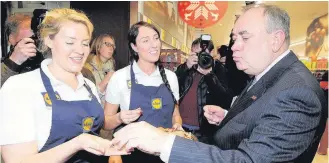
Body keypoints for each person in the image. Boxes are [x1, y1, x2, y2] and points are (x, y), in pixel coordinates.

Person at [112, 4, 327, 163]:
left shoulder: (297, 91)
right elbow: (263, 117)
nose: (234, 47)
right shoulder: (269, 76)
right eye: (234, 38)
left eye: (244, 37)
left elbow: (250, 160)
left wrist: (163, 142)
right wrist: (228, 116)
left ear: (276, 40)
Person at [0, 8, 128, 163]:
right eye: (70, 42)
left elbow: (98, 128)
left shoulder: (88, 85)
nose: (80, 51)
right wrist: (78, 143)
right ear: (48, 40)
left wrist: (112, 149)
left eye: (85, 43)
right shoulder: (20, 87)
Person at [103, 21, 182, 163]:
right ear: (134, 47)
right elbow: (106, 122)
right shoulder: (120, 77)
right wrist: (120, 118)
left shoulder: (171, 77)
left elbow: (176, 114)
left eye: (156, 38)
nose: (154, 44)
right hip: (133, 156)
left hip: (166, 154)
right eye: (145, 40)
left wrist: (178, 125)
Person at [175, 38, 231, 144]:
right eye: (196, 53)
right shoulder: (187, 68)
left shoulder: (219, 69)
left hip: (204, 132)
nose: (200, 57)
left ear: (211, 53)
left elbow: (225, 99)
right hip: (181, 127)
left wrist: (209, 75)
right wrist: (185, 67)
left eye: (203, 54)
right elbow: (171, 87)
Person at [1, 13, 43, 85]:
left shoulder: (46, 61)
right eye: (30, 39)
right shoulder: (4, 66)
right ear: (11, 38)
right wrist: (14, 62)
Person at [84, 34, 116, 106]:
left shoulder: (111, 68)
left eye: (113, 46)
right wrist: (104, 83)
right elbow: (87, 99)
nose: (111, 48)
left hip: (107, 113)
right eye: (108, 44)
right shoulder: (86, 69)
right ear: (98, 46)